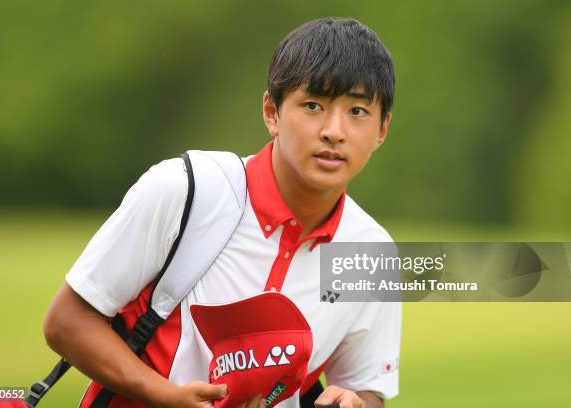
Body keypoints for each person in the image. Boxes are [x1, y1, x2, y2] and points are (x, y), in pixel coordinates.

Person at [44, 17, 401, 408]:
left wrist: (356, 402)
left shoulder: (372, 252)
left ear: (382, 129)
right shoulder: (185, 189)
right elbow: (67, 323)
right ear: (272, 112)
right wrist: (166, 395)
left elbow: (365, 387)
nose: (334, 130)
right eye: (313, 105)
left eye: (358, 112)